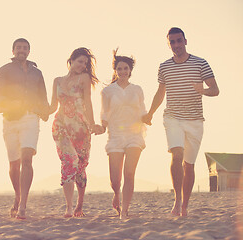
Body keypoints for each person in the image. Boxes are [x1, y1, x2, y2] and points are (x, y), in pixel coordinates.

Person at [142, 27, 219, 216]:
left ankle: (185, 205)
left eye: (179, 40)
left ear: (185, 41)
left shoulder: (201, 64)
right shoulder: (164, 66)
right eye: (172, 42)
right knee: (176, 155)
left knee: (189, 164)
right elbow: (161, 93)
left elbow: (215, 90)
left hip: (195, 121)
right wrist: (150, 113)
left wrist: (202, 91)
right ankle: (177, 201)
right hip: (173, 117)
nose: (176, 45)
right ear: (169, 45)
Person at [0, 38, 49, 219]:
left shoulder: (37, 73)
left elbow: (43, 96)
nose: (21, 50)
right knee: (14, 164)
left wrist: (45, 110)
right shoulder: (4, 71)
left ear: (29, 51)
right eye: (18, 47)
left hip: (31, 118)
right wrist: (11, 103)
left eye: (25, 48)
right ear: (13, 50)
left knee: (27, 159)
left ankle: (23, 206)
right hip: (10, 120)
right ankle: (17, 196)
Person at [48, 47, 100, 218]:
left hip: (80, 127)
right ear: (71, 61)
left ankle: (79, 205)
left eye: (85, 63)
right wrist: (38, 110)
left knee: (80, 167)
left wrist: (92, 124)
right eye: (80, 61)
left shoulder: (84, 78)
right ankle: (69, 207)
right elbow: (52, 106)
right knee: (69, 161)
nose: (82, 65)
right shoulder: (57, 81)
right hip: (61, 125)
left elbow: (88, 102)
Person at [96, 49, 146, 219]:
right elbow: (104, 114)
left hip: (134, 135)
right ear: (115, 71)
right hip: (115, 136)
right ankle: (116, 193)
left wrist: (148, 117)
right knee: (115, 179)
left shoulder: (137, 89)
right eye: (119, 69)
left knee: (129, 173)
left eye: (126, 68)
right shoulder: (107, 91)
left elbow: (143, 111)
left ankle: (124, 210)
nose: (123, 72)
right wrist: (101, 127)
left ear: (130, 70)